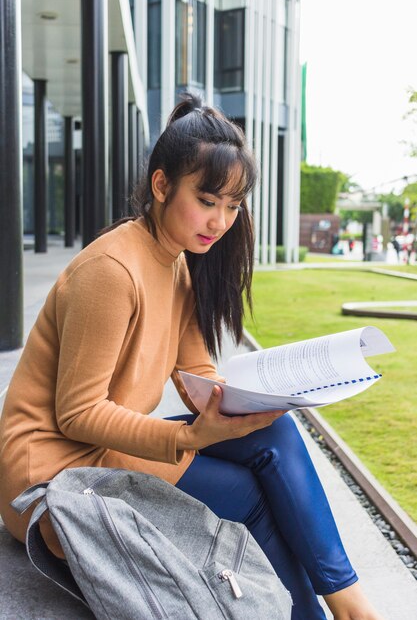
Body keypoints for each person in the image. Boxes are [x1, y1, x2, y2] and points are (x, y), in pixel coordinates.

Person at [0, 93, 384, 620]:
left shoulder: (176, 262)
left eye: (232, 205)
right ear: (161, 185)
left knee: (269, 433)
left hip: (101, 453)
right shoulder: (112, 270)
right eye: (207, 201)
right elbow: (77, 413)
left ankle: (346, 602)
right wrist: (186, 437)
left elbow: (197, 369)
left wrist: (239, 400)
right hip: (55, 476)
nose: (221, 222)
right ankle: (330, 613)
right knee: (247, 494)